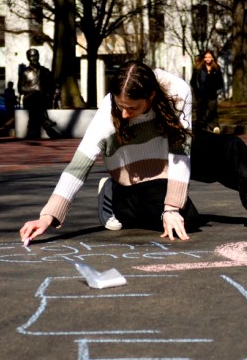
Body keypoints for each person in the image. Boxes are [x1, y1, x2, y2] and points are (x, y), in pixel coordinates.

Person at [19, 61, 197, 244]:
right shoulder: (108, 112)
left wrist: (171, 207)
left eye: (132, 108)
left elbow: (181, 150)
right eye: (121, 106)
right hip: (136, 174)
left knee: (222, 149)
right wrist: (47, 216)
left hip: (169, 154)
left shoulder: (177, 91)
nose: (125, 114)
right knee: (187, 218)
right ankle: (116, 195)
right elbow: (78, 166)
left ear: (151, 96)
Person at [19, 48, 54, 139]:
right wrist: (34, 88)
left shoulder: (44, 71)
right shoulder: (24, 72)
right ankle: (45, 120)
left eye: (36, 55)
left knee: (37, 100)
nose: (34, 58)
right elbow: (20, 89)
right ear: (28, 58)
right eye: (31, 56)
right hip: (29, 99)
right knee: (36, 95)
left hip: (42, 99)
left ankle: (32, 129)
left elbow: (51, 85)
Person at [191, 50, 224, 132]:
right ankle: (201, 132)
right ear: (203, 58)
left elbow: (220, 82)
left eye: (209, 57)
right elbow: (193, 81)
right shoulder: (198, 69)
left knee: (212, 114)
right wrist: (197, 91)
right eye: (206, 57)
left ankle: (214, 130)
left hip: (212, 95)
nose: (207, 59)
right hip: (201, 95)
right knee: (201, 115)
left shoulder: (216, 68)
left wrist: (216, 89)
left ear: (212, 58)